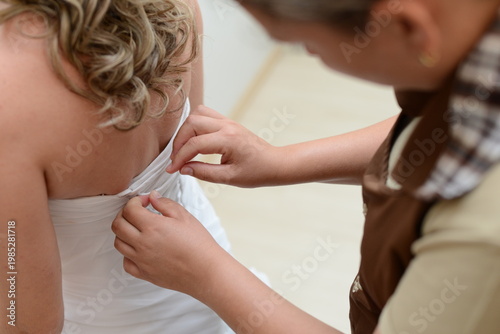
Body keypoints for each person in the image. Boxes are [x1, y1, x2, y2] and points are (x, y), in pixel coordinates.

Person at [112, 0, 500, 333]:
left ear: (409, 27)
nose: (313, 55)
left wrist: (209, 275)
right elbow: (437, 130)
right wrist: (280, 163)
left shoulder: (482, 230)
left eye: (307, 43)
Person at [0, 0, 234, 333]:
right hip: (204, 273)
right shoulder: (177, 7)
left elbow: (25, 323)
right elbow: (188, 149)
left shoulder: (9, 98)